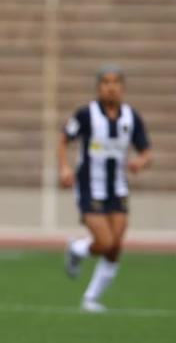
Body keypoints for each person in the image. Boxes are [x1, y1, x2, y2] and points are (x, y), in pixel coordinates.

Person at [60, 64, 152, 313]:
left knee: (115, 246)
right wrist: (65, 168)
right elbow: (64, 139)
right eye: (106, 83)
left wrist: (141, 162)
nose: (111, 88)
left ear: (122, 87)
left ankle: (90, 298)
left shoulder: (131, 117)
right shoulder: (86, 115)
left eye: (115, 83)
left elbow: (146, 151)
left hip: (118, 188)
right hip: (90, 186)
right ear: (98, 87)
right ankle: (77, 249)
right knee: (104, 241)